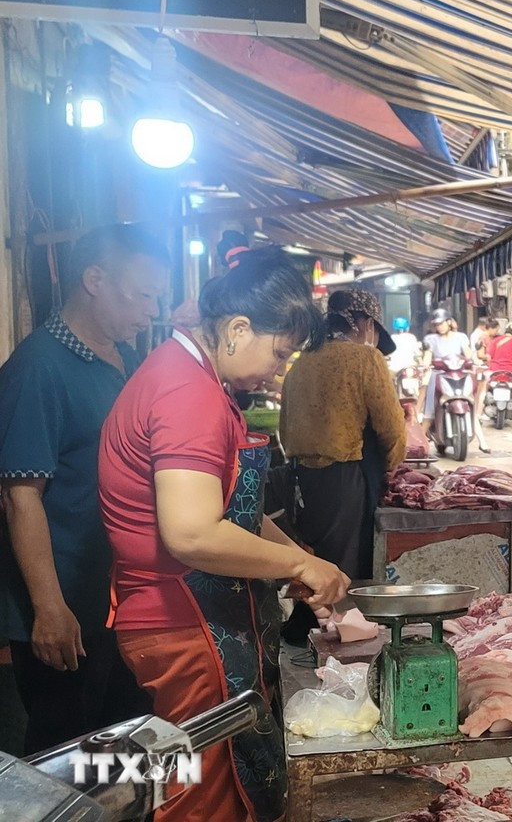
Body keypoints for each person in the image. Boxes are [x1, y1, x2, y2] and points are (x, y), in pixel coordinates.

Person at [99, 245, 349, 822]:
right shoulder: (188, 393)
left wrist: (299, 556)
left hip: (192, 620)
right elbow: (190, 532)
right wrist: (297, 567)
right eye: (279, 352)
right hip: (184, 625)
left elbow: (233, 510)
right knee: (203, 798)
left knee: (209, 782)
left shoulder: (195, 377)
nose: (280, 368)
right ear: (238, 329)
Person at [0, 225, 169, 754]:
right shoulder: (39, 367)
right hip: (66, 606)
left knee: (129, 743)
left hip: (116, 598)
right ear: (94, 279)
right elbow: (19, 495)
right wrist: (50, 608)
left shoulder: (123, 360)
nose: (150, 311)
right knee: (67, 752)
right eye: (142, 294)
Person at [279, 289, 406, 640]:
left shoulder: (300, 362)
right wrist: (393, 468)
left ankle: (306, 632)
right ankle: (341, 641)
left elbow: (284, 428)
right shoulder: (365, 359)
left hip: (301, 480)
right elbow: (392, 429)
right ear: (364, 323)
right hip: (347, 477)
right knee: (346, 572)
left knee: (315, 561)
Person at [422, 308, 491, 453]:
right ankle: (420, 445)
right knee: (429, 413)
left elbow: (468, 355)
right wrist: (425, 364)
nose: (439, 326)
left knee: (469, 402)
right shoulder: (431, 340)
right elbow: (427, 357)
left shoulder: (460, 337)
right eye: (436, 324)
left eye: (441, 323)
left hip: (458, 374)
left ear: (449, 322)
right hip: (439, 375)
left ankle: (483, 441)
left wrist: (475, 362)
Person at [485, 320, 512, 424]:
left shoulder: (495, 341)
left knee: (482, 390)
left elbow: (488, 357)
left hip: (494, 371)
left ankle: (478, 413)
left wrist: (492, 365)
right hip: (510, 372)